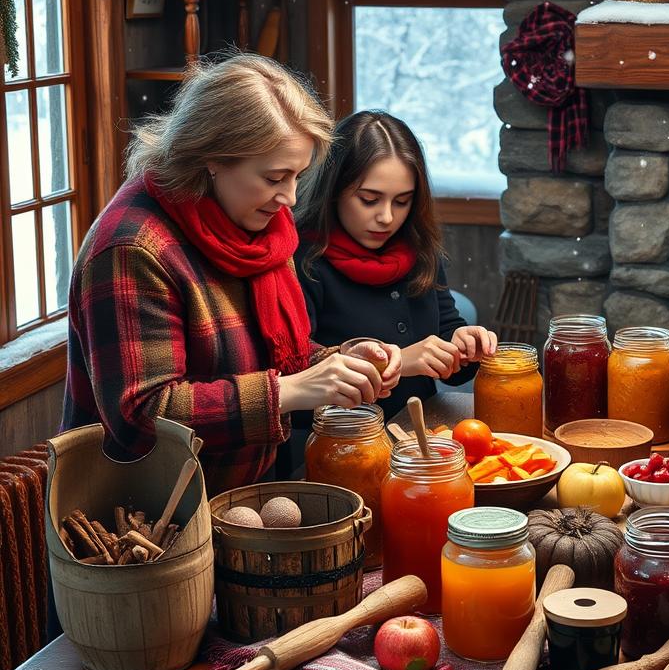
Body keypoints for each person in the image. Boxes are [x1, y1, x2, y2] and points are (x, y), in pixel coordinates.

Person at [63, 54, 401, 498]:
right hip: (143, 520)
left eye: (298, 175)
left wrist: (340, 362)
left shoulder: (253, 224)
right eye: (275, 177)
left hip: (236, 497)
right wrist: (287, 392)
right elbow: (142, 417)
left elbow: (261, 353)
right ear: (211, 158)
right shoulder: (131, 249)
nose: (290, 197)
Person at [293, 109, 497, 421]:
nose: (387, 217)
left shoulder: (420, 249)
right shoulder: (302, 260)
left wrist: (464, 345)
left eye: (402, 201)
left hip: (419, 437)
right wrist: (400, 360)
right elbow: (296, 370)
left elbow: (449, 352)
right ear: (333, 190)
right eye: (369, 199)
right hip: (339, 441)